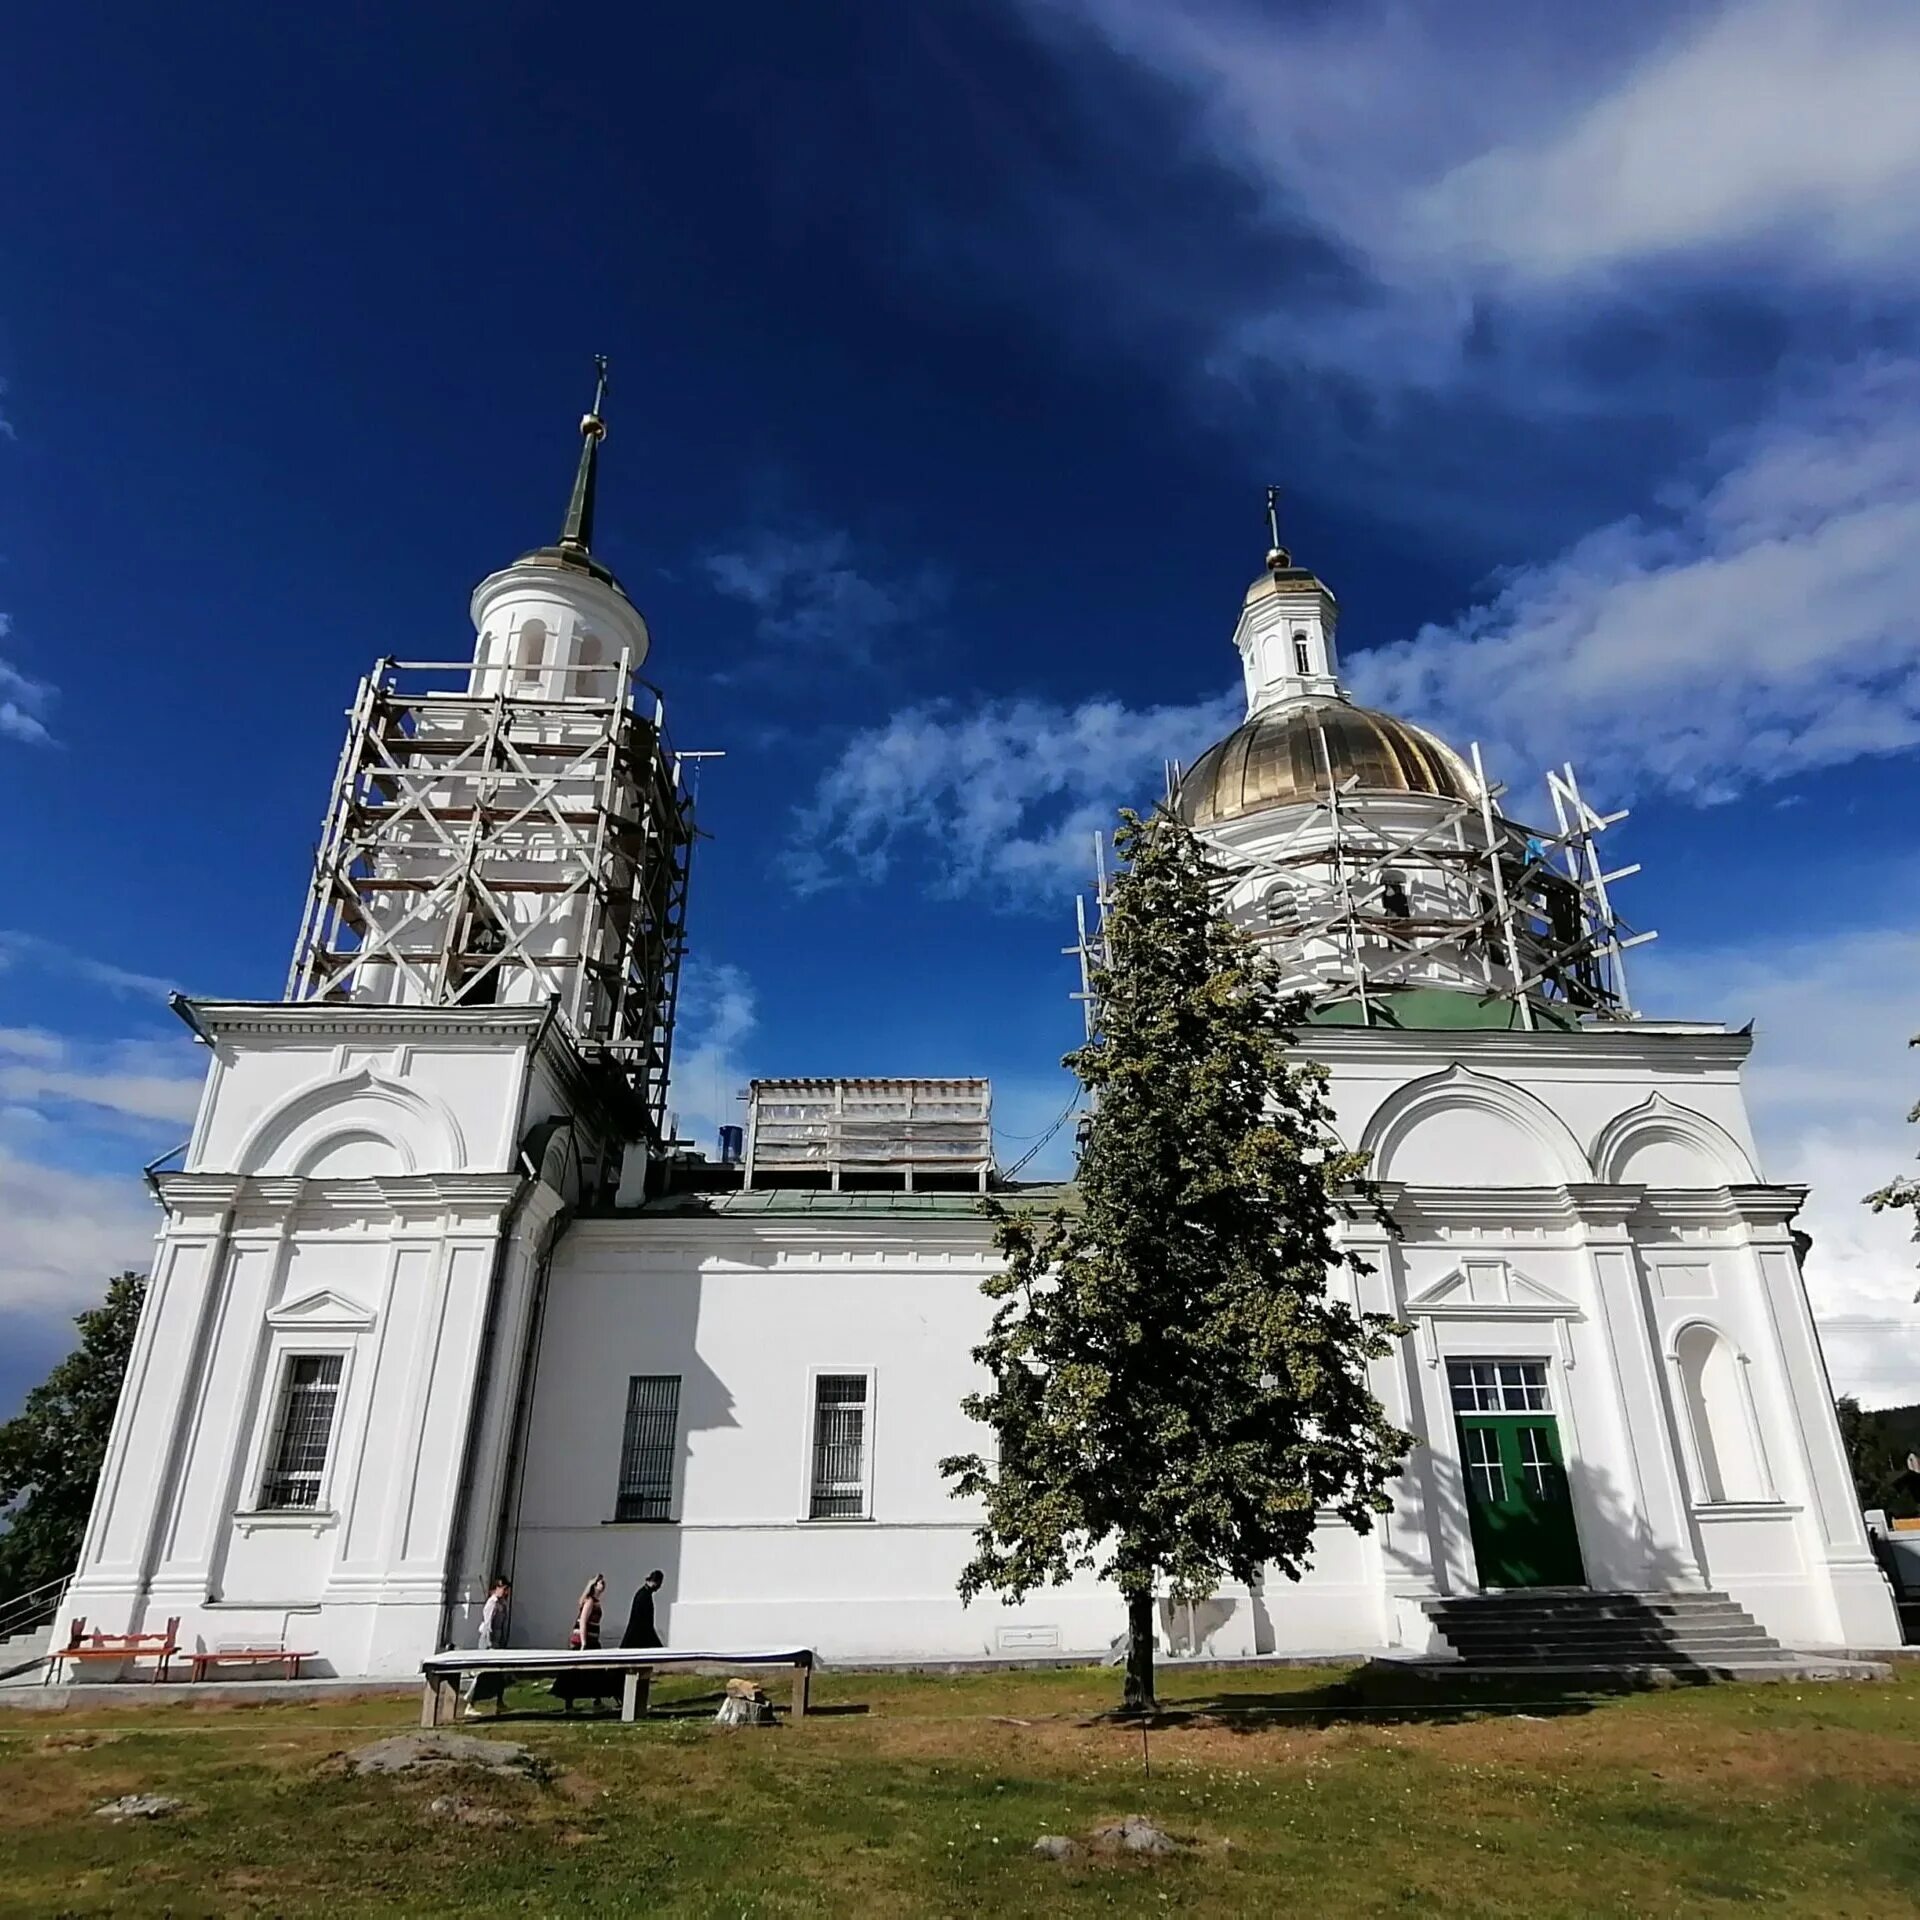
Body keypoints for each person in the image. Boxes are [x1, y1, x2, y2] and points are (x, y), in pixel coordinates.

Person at [552, 1573, 618, 1713]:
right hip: (584, 1641)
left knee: (596, 1671)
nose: (603, 1585)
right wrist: (583, 1642)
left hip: (592, 1639)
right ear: (594, 1586)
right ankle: (569, 1704)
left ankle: (597, 1700)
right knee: (575, 1672)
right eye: (600, 1583)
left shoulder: (596, 1602)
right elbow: (583, 1621)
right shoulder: (589, 1601)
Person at [462, 1577, 510, 1714]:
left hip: (498, 1640)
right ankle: (470, 1704)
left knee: (500, 1673)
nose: (505, 1592)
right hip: (489, 1640)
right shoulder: (492, 1603)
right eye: (503, 1589)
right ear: (497, 1588)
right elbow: (488, 1624)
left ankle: (500, 1703)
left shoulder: (503, 1603)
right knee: (482, 1673)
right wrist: (489, 1644)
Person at [620, 1569, 666, 1650]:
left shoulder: (644, 1594)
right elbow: (643, 1622)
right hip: (638, 1638)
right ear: (656, 1582)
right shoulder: (643, 1596)